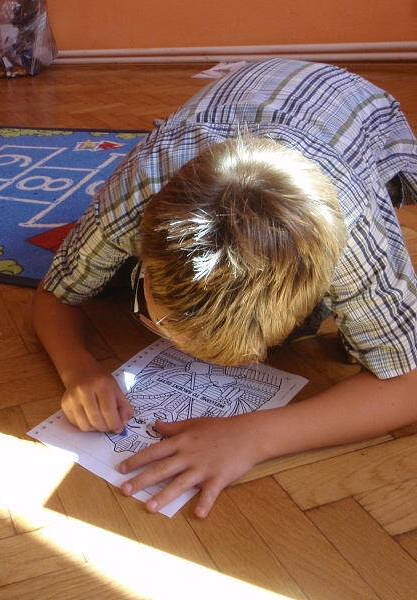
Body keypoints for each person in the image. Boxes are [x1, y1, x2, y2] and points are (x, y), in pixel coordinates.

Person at [32, 58, 417, 518]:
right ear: (144, 254)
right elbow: (55, 291)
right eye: (157, 319)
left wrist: (254, 437)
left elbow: (408, 382)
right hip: (240, 95)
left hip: (357, 110)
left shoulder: (354, 235)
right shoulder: (136, 190)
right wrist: (76, 368)